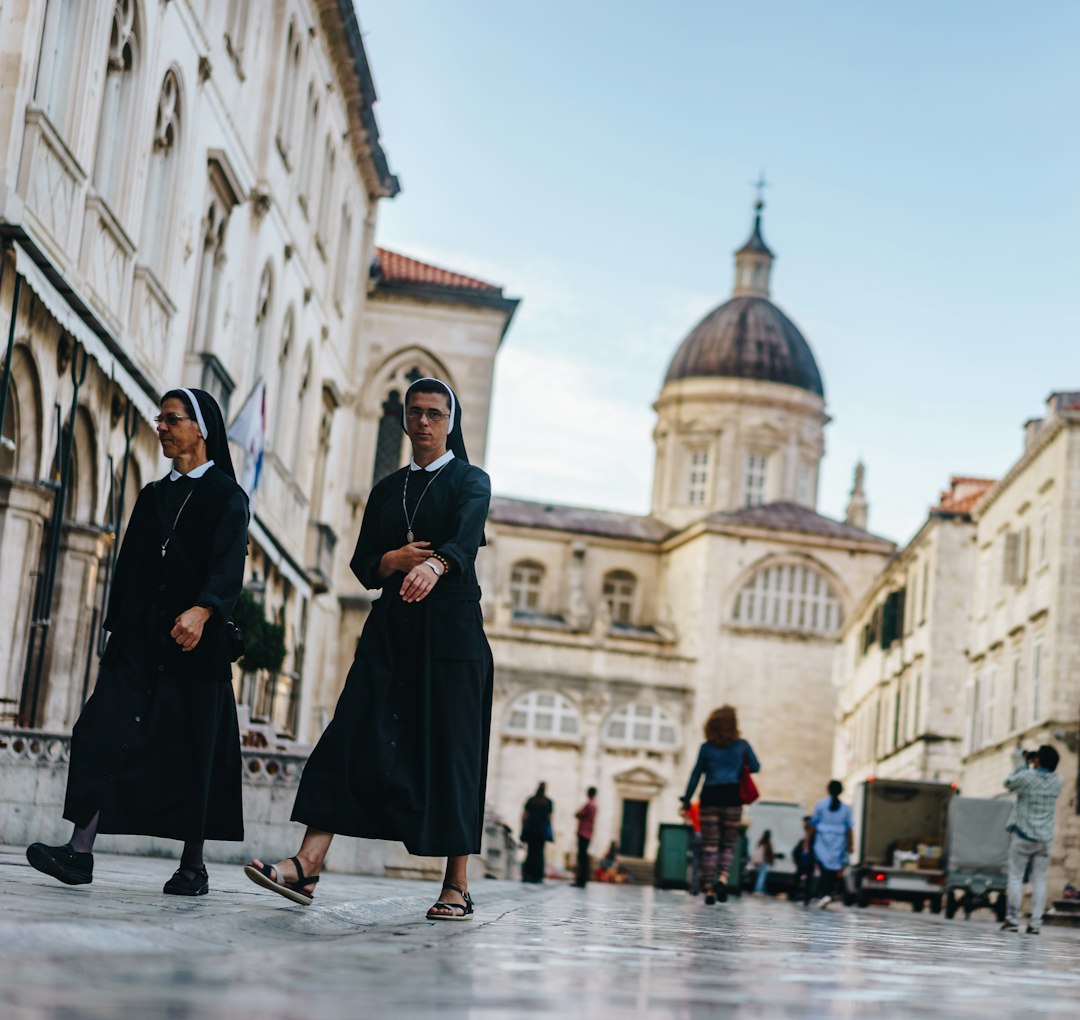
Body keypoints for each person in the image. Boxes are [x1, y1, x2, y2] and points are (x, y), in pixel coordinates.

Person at [244, 378, 493, 921]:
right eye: (415, 413)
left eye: (434, 413)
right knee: (349, 734)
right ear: (403, 420)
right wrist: (394, 560)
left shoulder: (472, 481)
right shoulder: (387, 490)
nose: (424, 422)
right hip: (390, 633)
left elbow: (466, 537)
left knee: (453, 750)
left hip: (449, 636)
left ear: (450, 421)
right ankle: (308, 864)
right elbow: (361, 565)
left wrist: (434, 564)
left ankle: (456, 884)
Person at [26, 388, 249, 895]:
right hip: (141, 643)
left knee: (192, 752)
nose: (162, 428)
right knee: (98, 732)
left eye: (172, 420)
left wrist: (205, 608)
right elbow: (128, 570)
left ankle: (193, 866)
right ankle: (79, 852)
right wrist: (120, 633)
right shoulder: (152, 496)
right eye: (160, 419)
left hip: (197, 647)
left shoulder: (227, 496)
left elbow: (229, 565)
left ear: (201, 429)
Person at [681, 705, 760, 904]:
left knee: (709, 846)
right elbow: (756, 766)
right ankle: (723, 878)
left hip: (710, 797)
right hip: (732, 797)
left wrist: (687, 800)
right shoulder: (742, 746)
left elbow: (695, 775)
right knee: (728, 844)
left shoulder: (706, 747)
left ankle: (708, 890)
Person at [1001, 744, 1063, 934]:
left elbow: (1008, 783)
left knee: (1016, 878)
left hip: (1023, 835)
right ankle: (1035, 924)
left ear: (1038, 760)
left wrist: (1022, 764)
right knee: (1040, 881)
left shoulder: (1027, 777)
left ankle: (1012, 920)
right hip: (1044, 838)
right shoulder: (1058, 781)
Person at [809, 780, 853, 909]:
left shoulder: (820, 805)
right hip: (838, 842)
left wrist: (807, 842)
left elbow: (813, 824)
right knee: (833, 869)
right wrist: (850, 845)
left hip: (822, 840)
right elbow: (849, 828)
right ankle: (827, 893)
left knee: (823, 869)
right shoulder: (846, 808)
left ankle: (824, 893)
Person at [520, 782, 554, 884]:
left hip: (531, 830)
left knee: (530, 852)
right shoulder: (548, 802)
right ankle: (537, 876)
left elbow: (525, 815)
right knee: (539, 853)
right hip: (541, 831)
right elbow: (549, 818)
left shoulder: (531, 800)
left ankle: (527, 874)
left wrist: (523, 827)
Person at [572, 786, 598, 887]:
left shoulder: (588, 805)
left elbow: (577, 814)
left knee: (581, 857)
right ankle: (582, 879)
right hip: (589, 833)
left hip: (583, 832)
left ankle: (580, 880)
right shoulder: (595, 806)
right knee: (584, 857)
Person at [792, 815, 816, 905]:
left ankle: (807, 898)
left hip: (809, 859)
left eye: (807, 823)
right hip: (802, 859)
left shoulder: (814, 834)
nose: (805, 825)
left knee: (809, 880)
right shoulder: (803, 834)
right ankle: (796, 896)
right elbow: (798, 847)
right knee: (798, 878)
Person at [751, 829, 775, 896]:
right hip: (765, 862)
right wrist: (772, 862)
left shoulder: (760, 842)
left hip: (759, 862)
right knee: (762, 877)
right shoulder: (768, 843)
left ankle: (761, 890)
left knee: (760, 876)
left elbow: (756, 851)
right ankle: (758, 890)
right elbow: (770, 854)